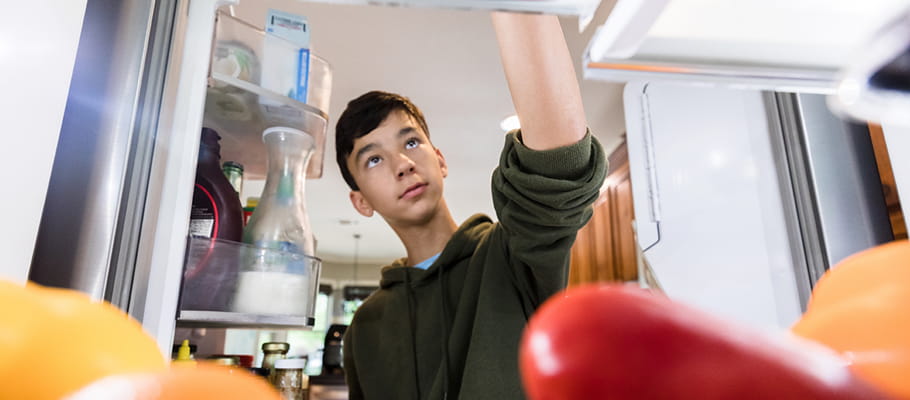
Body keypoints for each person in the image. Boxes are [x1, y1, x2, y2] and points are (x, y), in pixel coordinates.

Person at [335, 12, 608, 400]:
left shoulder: (511, 255)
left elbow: (561, 166)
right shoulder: (364, 326)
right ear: (360, 202)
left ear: (440, 160)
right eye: (373, 159)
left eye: (411, 142)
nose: (403, 164)